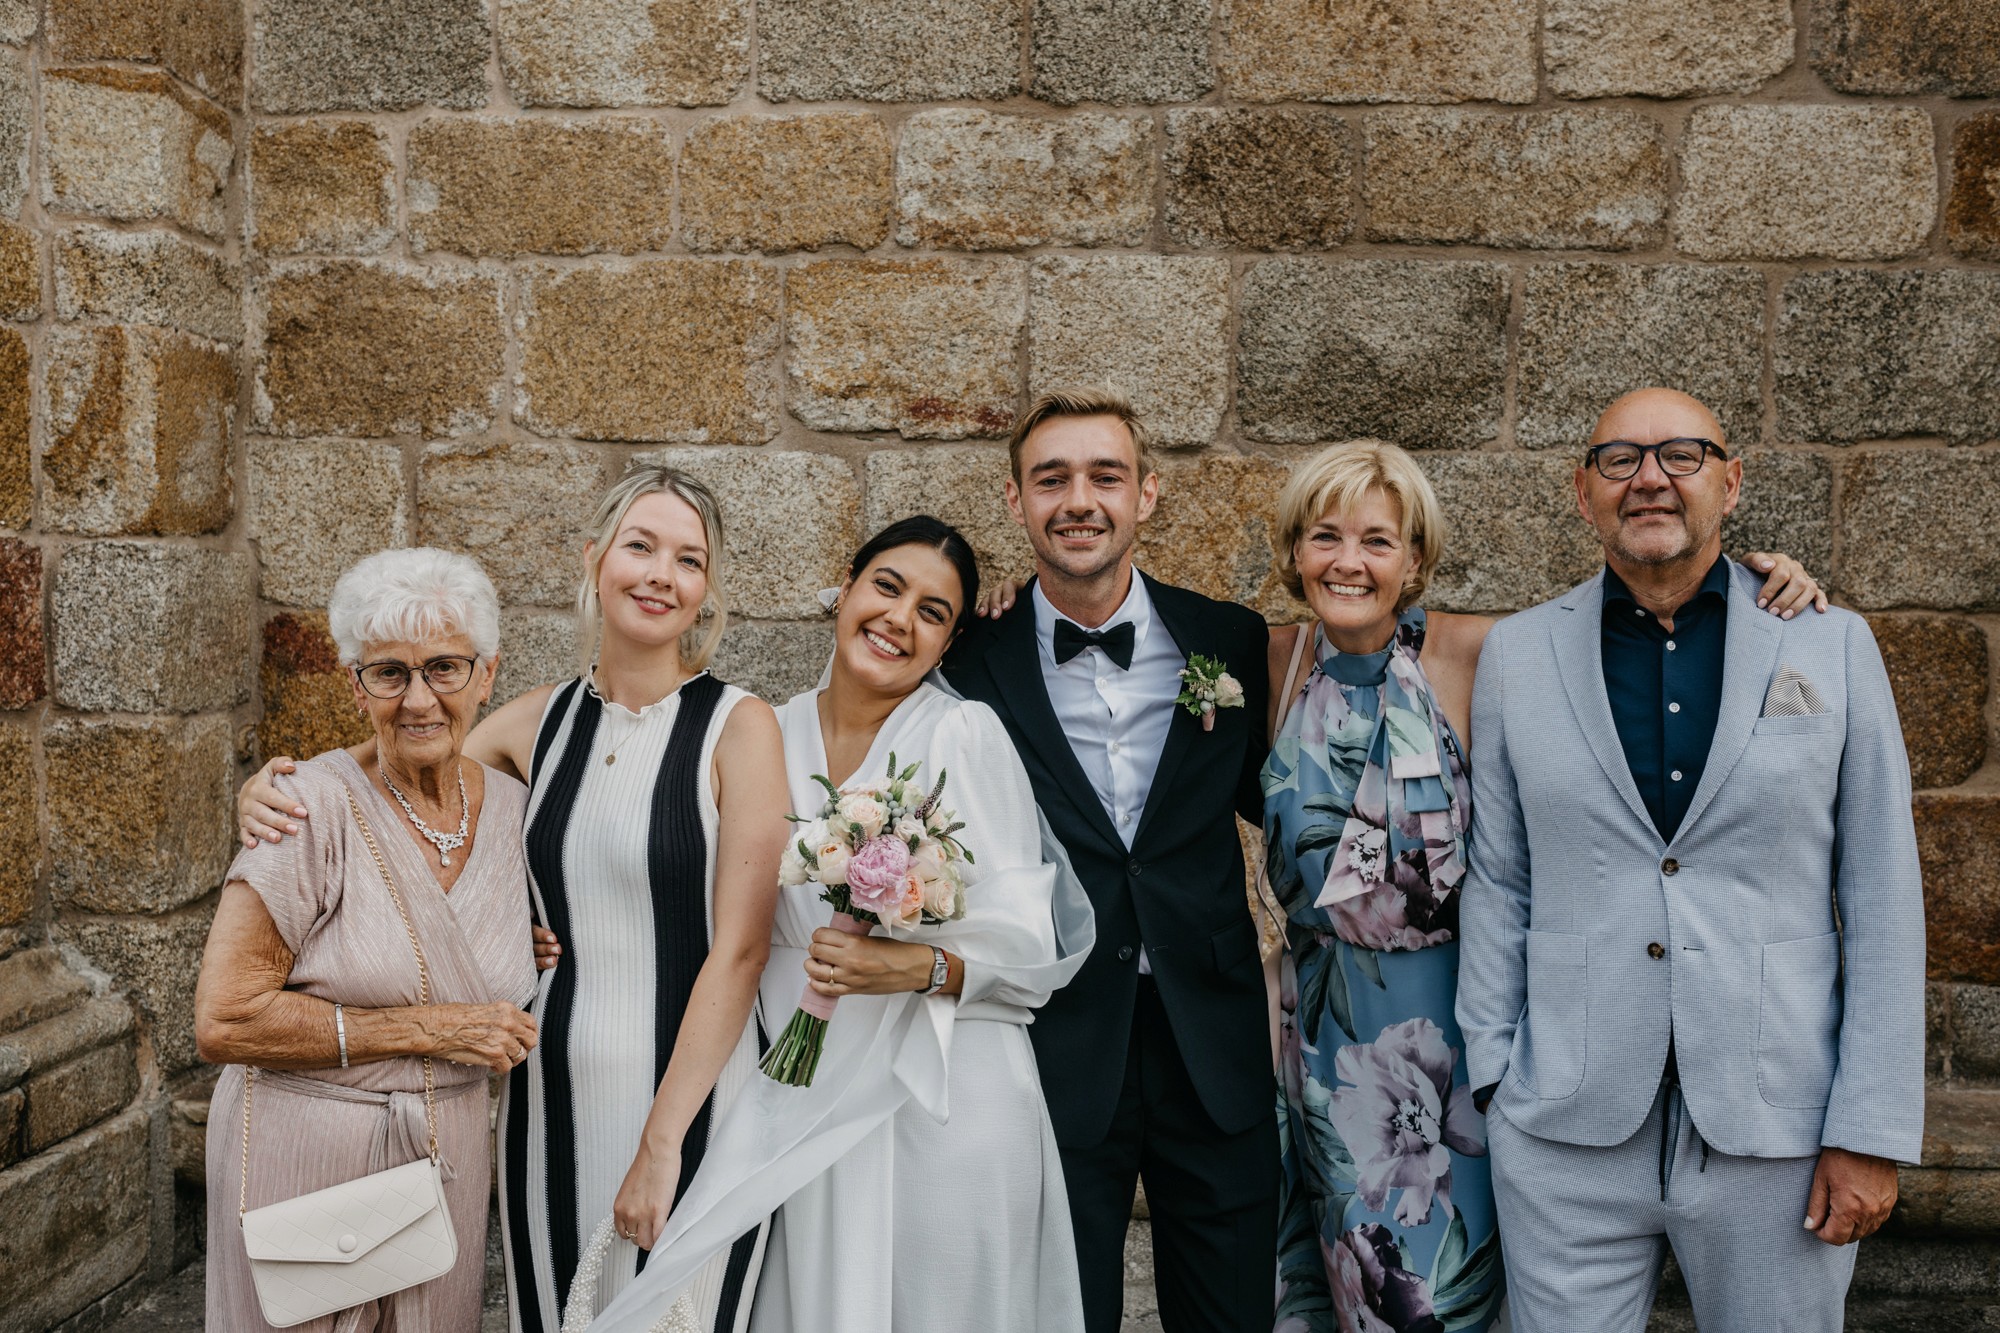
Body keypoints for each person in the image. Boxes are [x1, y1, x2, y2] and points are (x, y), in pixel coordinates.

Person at [966, 393, 1827, 1333]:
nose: (1349, 560)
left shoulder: (1487, 657)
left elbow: (1636, 611)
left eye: (1377, 540)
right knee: (1317, 1299)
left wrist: (1750, 582)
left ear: (1416, 556)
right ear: (1295, 551)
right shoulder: (1263, 659)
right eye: (1326, 536)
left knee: (1435, 1302)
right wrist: (996, 601)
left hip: (1455, 1051)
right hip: (1308, 1053)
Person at [237, 466, 790, 1333]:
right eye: (639, 545)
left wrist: (661, 1143)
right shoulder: (539, 724)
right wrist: (273, 790)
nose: (660, 573)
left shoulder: (740, 726)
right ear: (595, 558)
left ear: (707, 589)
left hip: (694, 1103)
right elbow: (391, 752)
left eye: (689, 559)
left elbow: (743, 951)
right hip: (548, 1102)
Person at [1456, 388, 1926, 1331]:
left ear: (1732, 480)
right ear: (1582, 493)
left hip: (1777, 1133)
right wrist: (1496, 1081)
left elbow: (1881, 889)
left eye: (1682, 454)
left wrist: (1870, 1131)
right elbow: (1500, 879)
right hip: (1565, 1131)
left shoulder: (1830, 642)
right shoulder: (1518, 653)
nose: (1651, 480)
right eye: (1620, 460)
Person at [588, 516, 1093, 1333]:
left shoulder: (964, 733)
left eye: (933, 611)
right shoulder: (758, 731)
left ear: (947, 641)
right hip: (796, 1082)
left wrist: (912, 967)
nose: (899, 618)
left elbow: (1028, 947)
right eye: (887, 587)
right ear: (845, 589)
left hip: (942, 1090)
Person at [947, 390, 1276, 1332]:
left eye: (1105, 476)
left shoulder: (1230, 640)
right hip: (1051, 1044)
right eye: (1051, 479)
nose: (1078, 499)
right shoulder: (970, 657)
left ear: (1149, 495)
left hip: (1213, 1046)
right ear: (1016, 501)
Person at [195, 547, 539, 1331]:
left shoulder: (520, 811)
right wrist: (433, 1028)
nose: (419, 698)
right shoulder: (302, 809)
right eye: (389, 672)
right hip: (306, 1164)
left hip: (446, 1161)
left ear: (487, 674)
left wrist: (537, 946)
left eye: (445, 667)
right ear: (355, 686)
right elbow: (223, 1018)